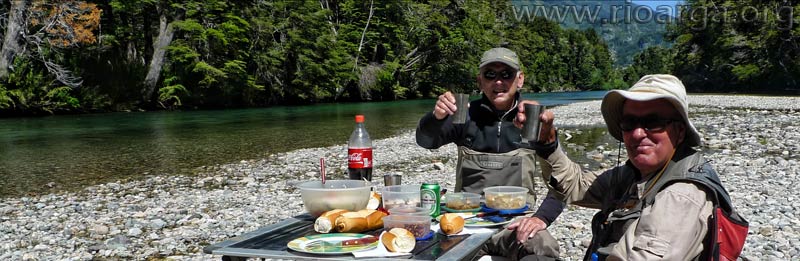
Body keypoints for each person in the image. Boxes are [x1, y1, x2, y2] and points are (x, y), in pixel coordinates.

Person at [519, 74, 733, 260]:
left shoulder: (680, 196)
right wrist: (547, 143)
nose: (638, 134)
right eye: (630, 123)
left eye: (653, 121)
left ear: (679, 131)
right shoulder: (634, 176)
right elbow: (574, 185)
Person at [416, 47, 564, 260]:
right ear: (480, 81)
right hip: (466, 224)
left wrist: (541, 218)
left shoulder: (532, 119)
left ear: (520, 79)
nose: (498, 82)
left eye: (506, 75)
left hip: (515, 225)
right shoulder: (464, 115)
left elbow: (562, 180)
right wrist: (435, 117)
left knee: (544, 247)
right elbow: (425, 141)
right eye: (490, 75)